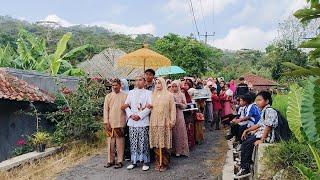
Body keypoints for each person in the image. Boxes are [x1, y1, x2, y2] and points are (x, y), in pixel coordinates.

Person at [235, 91, 278, 178]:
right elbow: (259, 124)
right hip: (260, 133)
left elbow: (268, 126)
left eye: (260, 100)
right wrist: (247, 130)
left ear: (267, 101)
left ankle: (245, 168)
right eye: (256, 100)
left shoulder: (270, 111)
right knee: (246, 139)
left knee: (246, 144)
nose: (257, 102)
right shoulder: (264, 111)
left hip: (267, 136)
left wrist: (262, 140)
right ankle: (246, 162)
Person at [124, 75, 152, 171]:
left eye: (140, 80)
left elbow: (149, 107)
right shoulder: (131, 93)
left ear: (144, 82)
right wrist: (131, 115)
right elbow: (126, 106)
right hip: (132, 121)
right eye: (137, 80)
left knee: (143, 141)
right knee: (133, 141)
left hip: (143, 121)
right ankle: (134, 161)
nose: (138, 82)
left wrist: (139, 115)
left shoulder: (149, 93)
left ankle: (145, 162)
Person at [149, 77, 176, 172]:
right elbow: (150, 107)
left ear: (163, 84)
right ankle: (158, 162)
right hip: (154, 121)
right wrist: (149, 106)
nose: (158, 85)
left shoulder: (169, 95)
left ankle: (164, 163)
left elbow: (172, 109)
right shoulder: (153, 95)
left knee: (163, 143)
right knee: (156, 142)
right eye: (156, 83)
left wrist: (172, 121)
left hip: (164, 121)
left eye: (159, 83)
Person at [103, 79, 128, 169]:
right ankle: (110, 161)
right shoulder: (108, 96)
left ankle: (120, 161)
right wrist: (106, 122)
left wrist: (125, 122)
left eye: (116, 85)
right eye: (113, 85)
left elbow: (128, 109)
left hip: (120, 123)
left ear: (120, 85)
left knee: (120, 143)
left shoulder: (125, 96)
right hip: (110, 123)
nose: (114, 87)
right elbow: (105, 110)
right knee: (110, 142)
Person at [171, 80, 190, 157]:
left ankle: (180, 150)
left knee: (180, 132)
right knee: (173, 132)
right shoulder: (169, 94)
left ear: (178, 86)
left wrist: (179, 104)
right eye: (173, 86)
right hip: (171, 114)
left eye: (175, 86)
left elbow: (185, 105)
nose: (174, 88)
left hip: (179, 114)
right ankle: (173, 150)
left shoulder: (181, 94)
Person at [120, 79, 131, 161]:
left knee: (127, 136)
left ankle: (127, 153)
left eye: (123, 83)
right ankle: (120, 153)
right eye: (120, 83)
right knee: (120, 135)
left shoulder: (129, 94)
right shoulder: (116, 93)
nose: (122, 85)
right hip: (119, 117)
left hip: (128, 117)